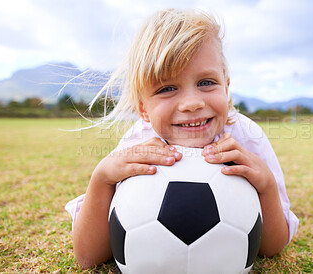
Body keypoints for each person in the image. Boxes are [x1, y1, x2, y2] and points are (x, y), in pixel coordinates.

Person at [65, 8, 299, 269]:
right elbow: (87, 258)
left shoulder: (247, 138)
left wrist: (265, 186)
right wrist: (101, 180)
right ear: (143, 108)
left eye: (206, 82)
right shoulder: (138, 144)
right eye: (167, 88)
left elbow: (272, 249)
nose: (191, 103)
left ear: (226, 86)